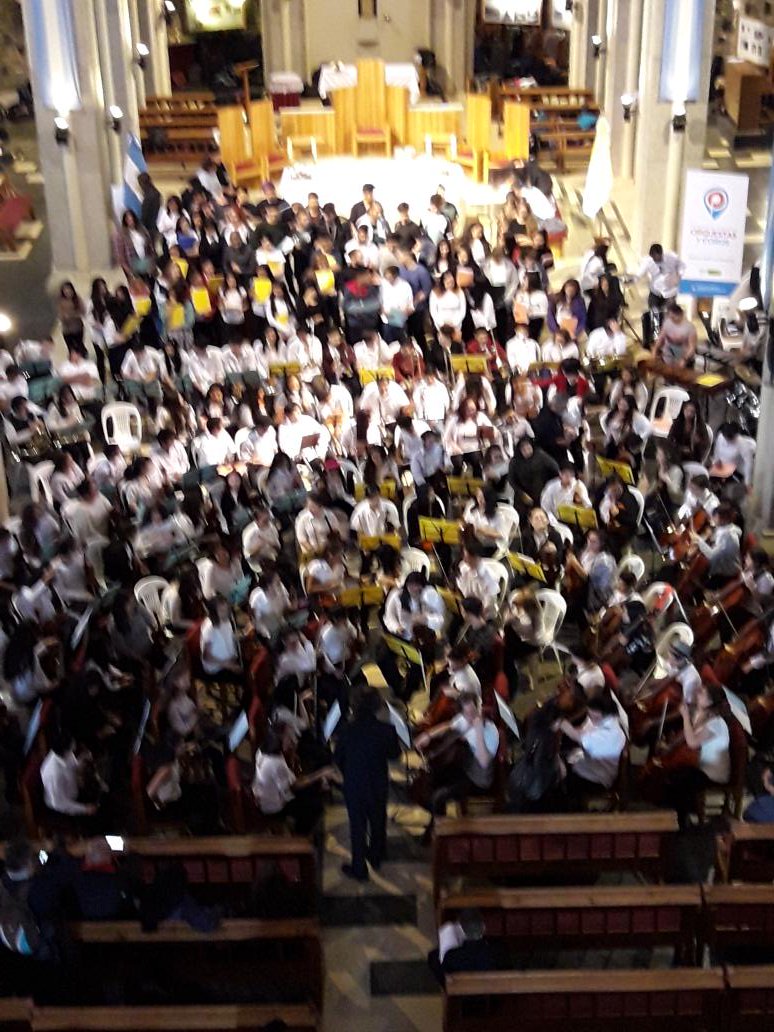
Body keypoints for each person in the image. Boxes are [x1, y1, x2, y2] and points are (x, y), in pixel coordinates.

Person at [334, 689, 400, 881]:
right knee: (378, 820)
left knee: (357, 826)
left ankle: (359, 868)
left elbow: (337, 760)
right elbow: (394, 755)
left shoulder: (346, 730)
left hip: (354, 785)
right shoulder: (387, 730)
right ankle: (376, 856)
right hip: (378, 783)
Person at [654, 303, 697, 368]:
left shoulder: (690, 327)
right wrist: (655, 349)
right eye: (671, 317)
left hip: (684, 355)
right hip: (669, 354)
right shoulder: (667, 322)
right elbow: (661, 338)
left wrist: (684, 359)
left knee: (683, 375)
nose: (672, 319)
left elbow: (692, 347)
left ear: (681, 314)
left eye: (674, 317)